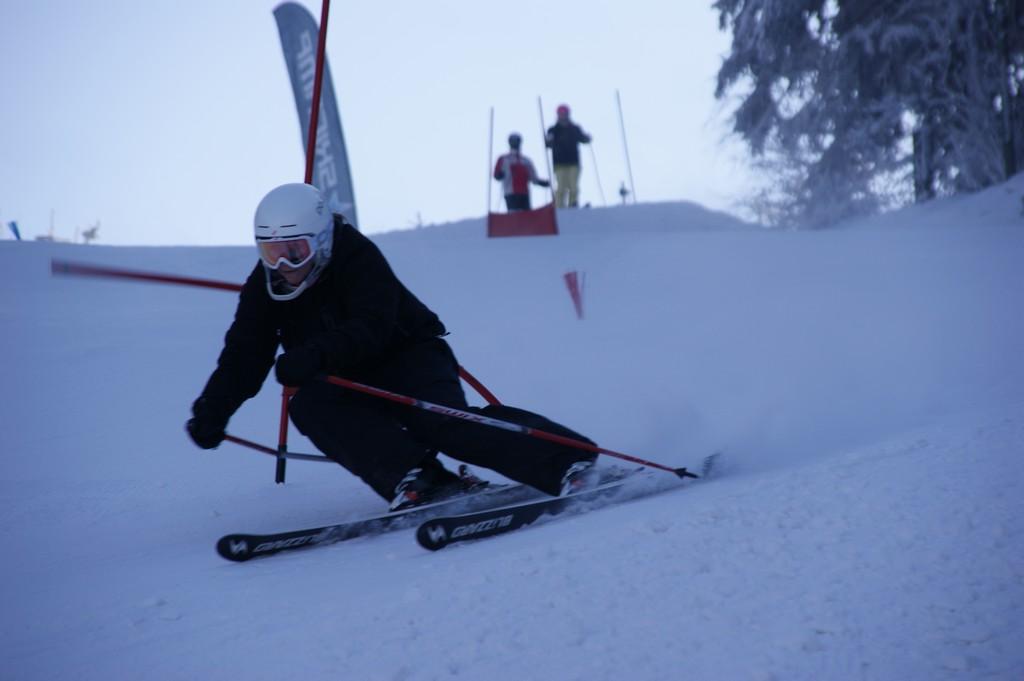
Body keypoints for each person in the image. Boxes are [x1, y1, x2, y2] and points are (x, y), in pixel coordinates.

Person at [186, 183, 597, 511]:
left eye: (295, 251)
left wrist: (314, 355)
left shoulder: (356, 256)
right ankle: (422, 480)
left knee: (441, 423)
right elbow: (244, 353)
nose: (283, 267)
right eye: (270, 253)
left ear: (323, 239)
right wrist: (213, 409)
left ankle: (566, 460)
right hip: (343, 373)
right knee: (309, 405)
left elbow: (374, 325)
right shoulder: (265, 286)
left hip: (406, 355)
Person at [545, 104, 592, 208]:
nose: (563, 116)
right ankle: (559, 206)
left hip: (573, 163)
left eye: (564, 114)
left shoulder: (574, 128)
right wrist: (548, 141)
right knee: (561, 187)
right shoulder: (553, 130)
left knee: (573, 187)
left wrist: (587, 138)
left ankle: (572, 204)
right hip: (559, 163)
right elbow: (548, 144)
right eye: (561, 114)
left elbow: (583, 139)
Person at [493, 133, 549, 212]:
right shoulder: (503, 159)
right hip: (510, 192)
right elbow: (496, 174)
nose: (515, 144)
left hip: (524, 193)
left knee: (526, 217)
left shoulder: (526, 160)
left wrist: (542, 183)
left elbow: (533, 177)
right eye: (513, 142)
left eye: (516, 142)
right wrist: (499, 175)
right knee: (514, 215)